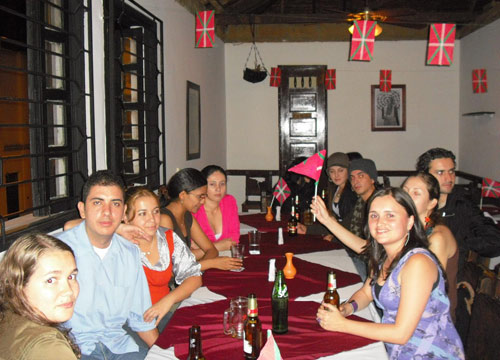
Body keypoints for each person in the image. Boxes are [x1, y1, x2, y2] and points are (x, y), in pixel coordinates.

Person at [315, 188, 464, 359]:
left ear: (409, 222)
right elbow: (367, 292)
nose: (380, 223)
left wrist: (342, 324)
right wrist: (347, 308)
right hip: (396, 351)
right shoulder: (383, 255)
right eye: (374, 215)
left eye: (390, 215)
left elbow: (401, 334)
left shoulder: (418, 263)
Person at [57, 170, 157, 359]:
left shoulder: (130, 253)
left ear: (123, 211)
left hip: (118, 346)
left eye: (115, 204)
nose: (107, 212)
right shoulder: (58, 251)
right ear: (82, 209)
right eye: (97, 202)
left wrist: (164, 354)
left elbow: (141, 318)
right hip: (73, 349)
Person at [124, 187, 202, 332]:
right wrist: (115, 228)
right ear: (125, 216)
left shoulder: (166, 237)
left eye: (156, 211)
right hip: (128, 322)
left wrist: (167, 301)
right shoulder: (119, 246)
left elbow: (194, 277)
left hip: (163, 311)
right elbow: (72, 226)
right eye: (142, 214)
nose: (152, 220)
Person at [416, 147, 500, 279]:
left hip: (450, 279)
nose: (448, 178)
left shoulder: (462, 205)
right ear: (425, 176)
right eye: (440, 172)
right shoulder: (415, 202)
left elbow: (495, 242)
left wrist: (460, 242)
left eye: (451, 172)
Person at [0, 233, 80, 359]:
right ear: (19, 285)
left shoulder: (8, 317)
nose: (68, 291)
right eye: (51, 280)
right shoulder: (48, 348)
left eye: (71, 277)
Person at [401, 172, 459, 322]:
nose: (406, 197)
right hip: (407, 307)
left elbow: (431, 294)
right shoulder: (410, 227)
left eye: (416, 193)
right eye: (405, 190)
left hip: (433, 322)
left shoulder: (437, 237)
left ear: (432, 203)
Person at [161, 168, 242, 271]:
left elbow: (212, 250)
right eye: (200, 197)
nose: (203, 201)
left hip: (191, 277)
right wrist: (211, 263)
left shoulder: (187, 217)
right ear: (182, 195)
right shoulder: (165, 219)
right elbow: (172, 269)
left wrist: (202, 265)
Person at [297, 152, 356, 240]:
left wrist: (335, 238)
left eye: (341, 170)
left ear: (348, 171)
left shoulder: (352, 193)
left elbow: (350, 226)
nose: (336, 175)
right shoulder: (334, 189)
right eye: (332, 171)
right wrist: (307, 229)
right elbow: (332, 222)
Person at [193, 165, 240, 251]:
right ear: (203, 186)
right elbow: (191, 247)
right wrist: (219, 246)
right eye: (212, 184)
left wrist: (205, 247)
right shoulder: (194, 209)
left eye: (222, 184)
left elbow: (234, 240)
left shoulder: (229, 202)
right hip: (202, 260)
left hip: (226, 256)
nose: (218, 189)